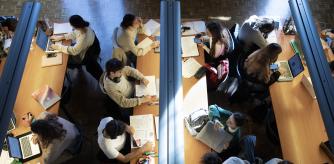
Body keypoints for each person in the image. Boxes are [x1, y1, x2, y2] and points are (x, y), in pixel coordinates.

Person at [50, 15, 103, 80]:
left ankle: (77, 65)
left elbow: (73, 51)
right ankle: (78, 66)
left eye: (71, 25)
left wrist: (58, 47)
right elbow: (75, 33)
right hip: (87, 49)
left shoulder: (83, 38)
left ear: (75, 26)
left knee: (64, 60)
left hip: (84, 55)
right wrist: (61, 37)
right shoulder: (85, 26)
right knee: (66, 47)